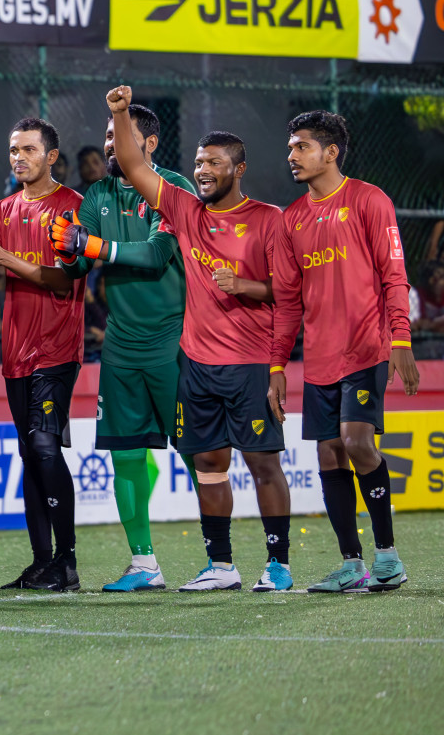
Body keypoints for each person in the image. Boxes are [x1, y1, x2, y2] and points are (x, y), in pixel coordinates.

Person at [104, 85, 292, 593]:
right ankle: (222, 566)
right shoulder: (186, 211)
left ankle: (277, 566)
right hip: (197, 365)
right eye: (198, 162)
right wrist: (120, 113)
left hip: (250, 363)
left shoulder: (268, 219)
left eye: (213, 162)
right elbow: (132, 162)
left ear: (239, 168)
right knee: (209, 465)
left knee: (262, 464)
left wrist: (246, 287)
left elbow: (291, 291)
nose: (203, 170)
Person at [270, 111, 419, 592]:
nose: (292, 155)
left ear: (330, 152)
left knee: (356, 442)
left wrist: (401, 339)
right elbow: (287, 301)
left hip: (366, 347)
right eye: (290, 147)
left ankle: (388, 557)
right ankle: (352, 565)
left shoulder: (369, 201)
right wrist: (277, 364)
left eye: (301, 146)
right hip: (320, 360)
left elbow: (395, 277)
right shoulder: (291, 219)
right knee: (329, 455)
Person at [47, 104, 194, 592]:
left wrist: (92, 246)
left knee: (199, 452)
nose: (110, 145)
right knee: (125, 456)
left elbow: (155, 255)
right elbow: (77, 265)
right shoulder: (99, 193)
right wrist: (65, 246)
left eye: (121, 137)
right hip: (122, 347)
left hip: (175, 341)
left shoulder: (176, 189)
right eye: (108, 136)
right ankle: (145, 564)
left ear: (148, 144)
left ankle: (222, 558)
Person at [0, 119, 86, 593]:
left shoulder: (73, 207)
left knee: (42, 446)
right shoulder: (2, 210)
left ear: (51, 157)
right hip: (16, 351)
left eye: (29, 150)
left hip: (57, 348)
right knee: (30, 455)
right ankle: (41, 563)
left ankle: (68, 561)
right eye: (14, 149)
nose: (19, 157)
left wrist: (4, 259)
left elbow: (65, 279)